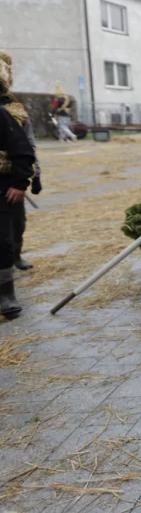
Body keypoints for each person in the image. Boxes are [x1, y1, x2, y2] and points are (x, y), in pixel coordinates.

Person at [0, 50, 36, 319]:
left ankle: (6, 295)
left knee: (6, 238)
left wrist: (23, 181)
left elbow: (25, 149)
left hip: (4, 187)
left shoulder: (8, 113)